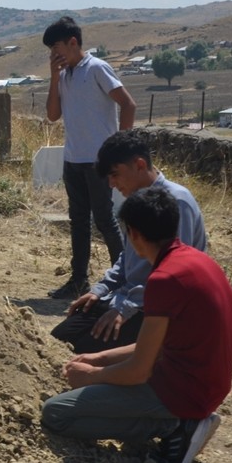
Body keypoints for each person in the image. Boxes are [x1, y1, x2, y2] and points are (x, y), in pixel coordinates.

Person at [40, 186, 232, 463]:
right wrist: (99, 359)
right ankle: (177, 421)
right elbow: (155, 346)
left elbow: (138, 371)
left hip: (182, 393)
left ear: (133, 234)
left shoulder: (163, 279)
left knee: (56, 413)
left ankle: (174, 426)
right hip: (206, 385)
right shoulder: (197, 260)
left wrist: (91, 377)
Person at [51, 129, 207, 353]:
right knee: (58, 339)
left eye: (115, 175)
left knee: (79, 350)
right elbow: (128, 258)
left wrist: (125, 309)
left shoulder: (176, 202)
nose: (111, 184)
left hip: (155, 307)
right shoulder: (137, 201)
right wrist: (100, 289)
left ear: (140, 165)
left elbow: (174, 276)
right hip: (126, 298)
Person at [43, 16, 136, 300]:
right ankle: (78, 280)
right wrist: (54, 77)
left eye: (56, 47)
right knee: (79, 220)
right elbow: (52, 115)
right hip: (73, 158)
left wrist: (120, 149)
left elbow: (128, 104)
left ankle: (125, 278)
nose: (53, 54)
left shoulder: (96, 68)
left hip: (98, 160)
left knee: (105, 219)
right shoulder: (65, 75)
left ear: (73, 42)